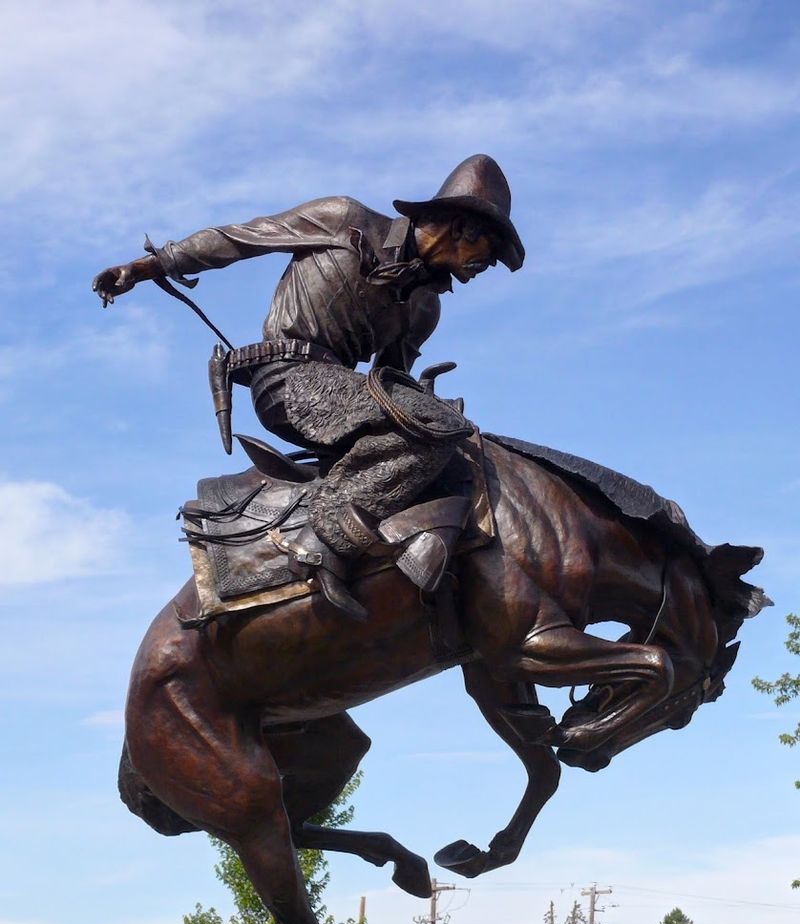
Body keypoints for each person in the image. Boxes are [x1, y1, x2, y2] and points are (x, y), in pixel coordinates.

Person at [93, 154, 525, 620]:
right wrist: (147, 267)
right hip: (288, 381)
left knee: (447, 440)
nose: (489, 266)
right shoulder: (342, 217)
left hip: (343, 397)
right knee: (437, 423)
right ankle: (323, 539)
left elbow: (390, 381)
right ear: (463, 228)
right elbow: (238, 239)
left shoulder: (424, 307)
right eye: (491, 251)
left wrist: (419, 400)